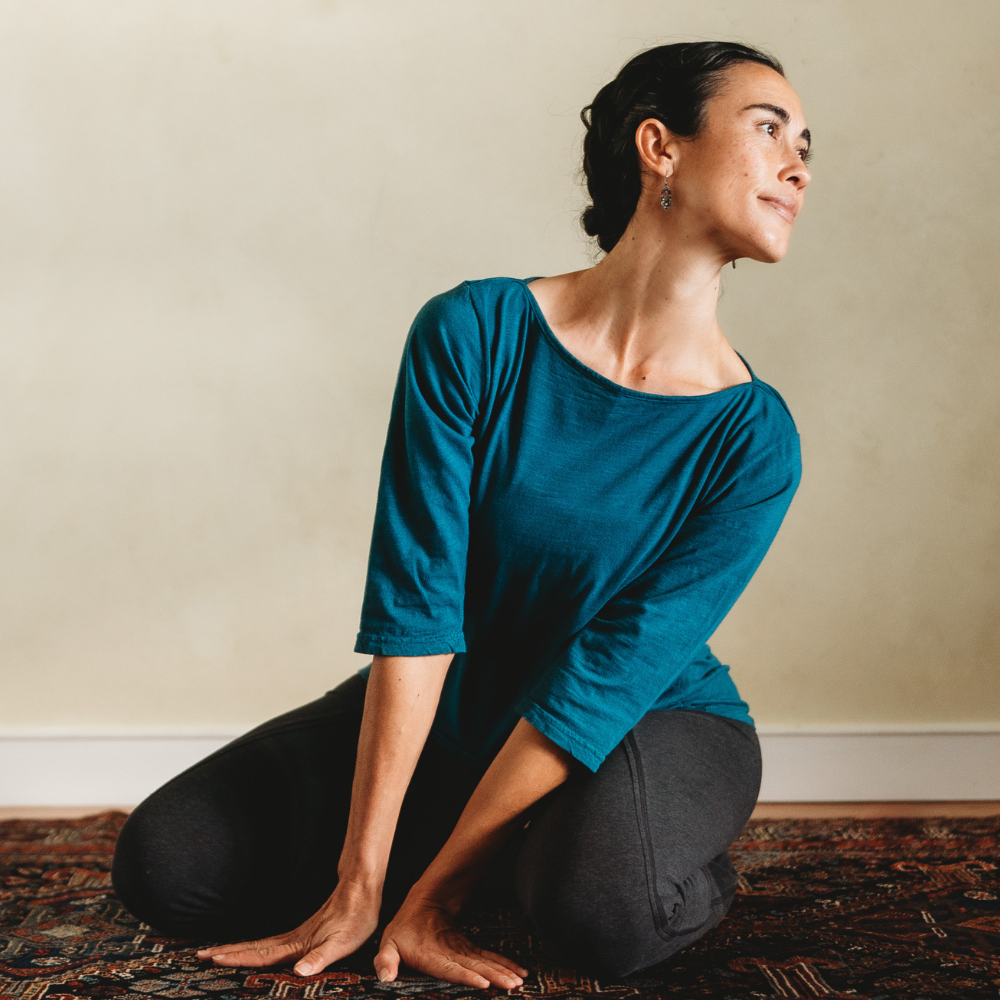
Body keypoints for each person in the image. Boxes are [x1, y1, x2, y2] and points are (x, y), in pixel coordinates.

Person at [111, 40, 811, 987]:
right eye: (769, 129)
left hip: (646, 717)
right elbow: (418, 606)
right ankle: (479, 853)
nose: (798, 166)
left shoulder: (756, 440)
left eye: (805, 146)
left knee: (602, 914)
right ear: (661, 147)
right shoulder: (474, 333)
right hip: (464, 701)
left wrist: (433, 895)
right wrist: (360, 880)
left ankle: (589, 856)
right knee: (167, 865)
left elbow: (608, 674)